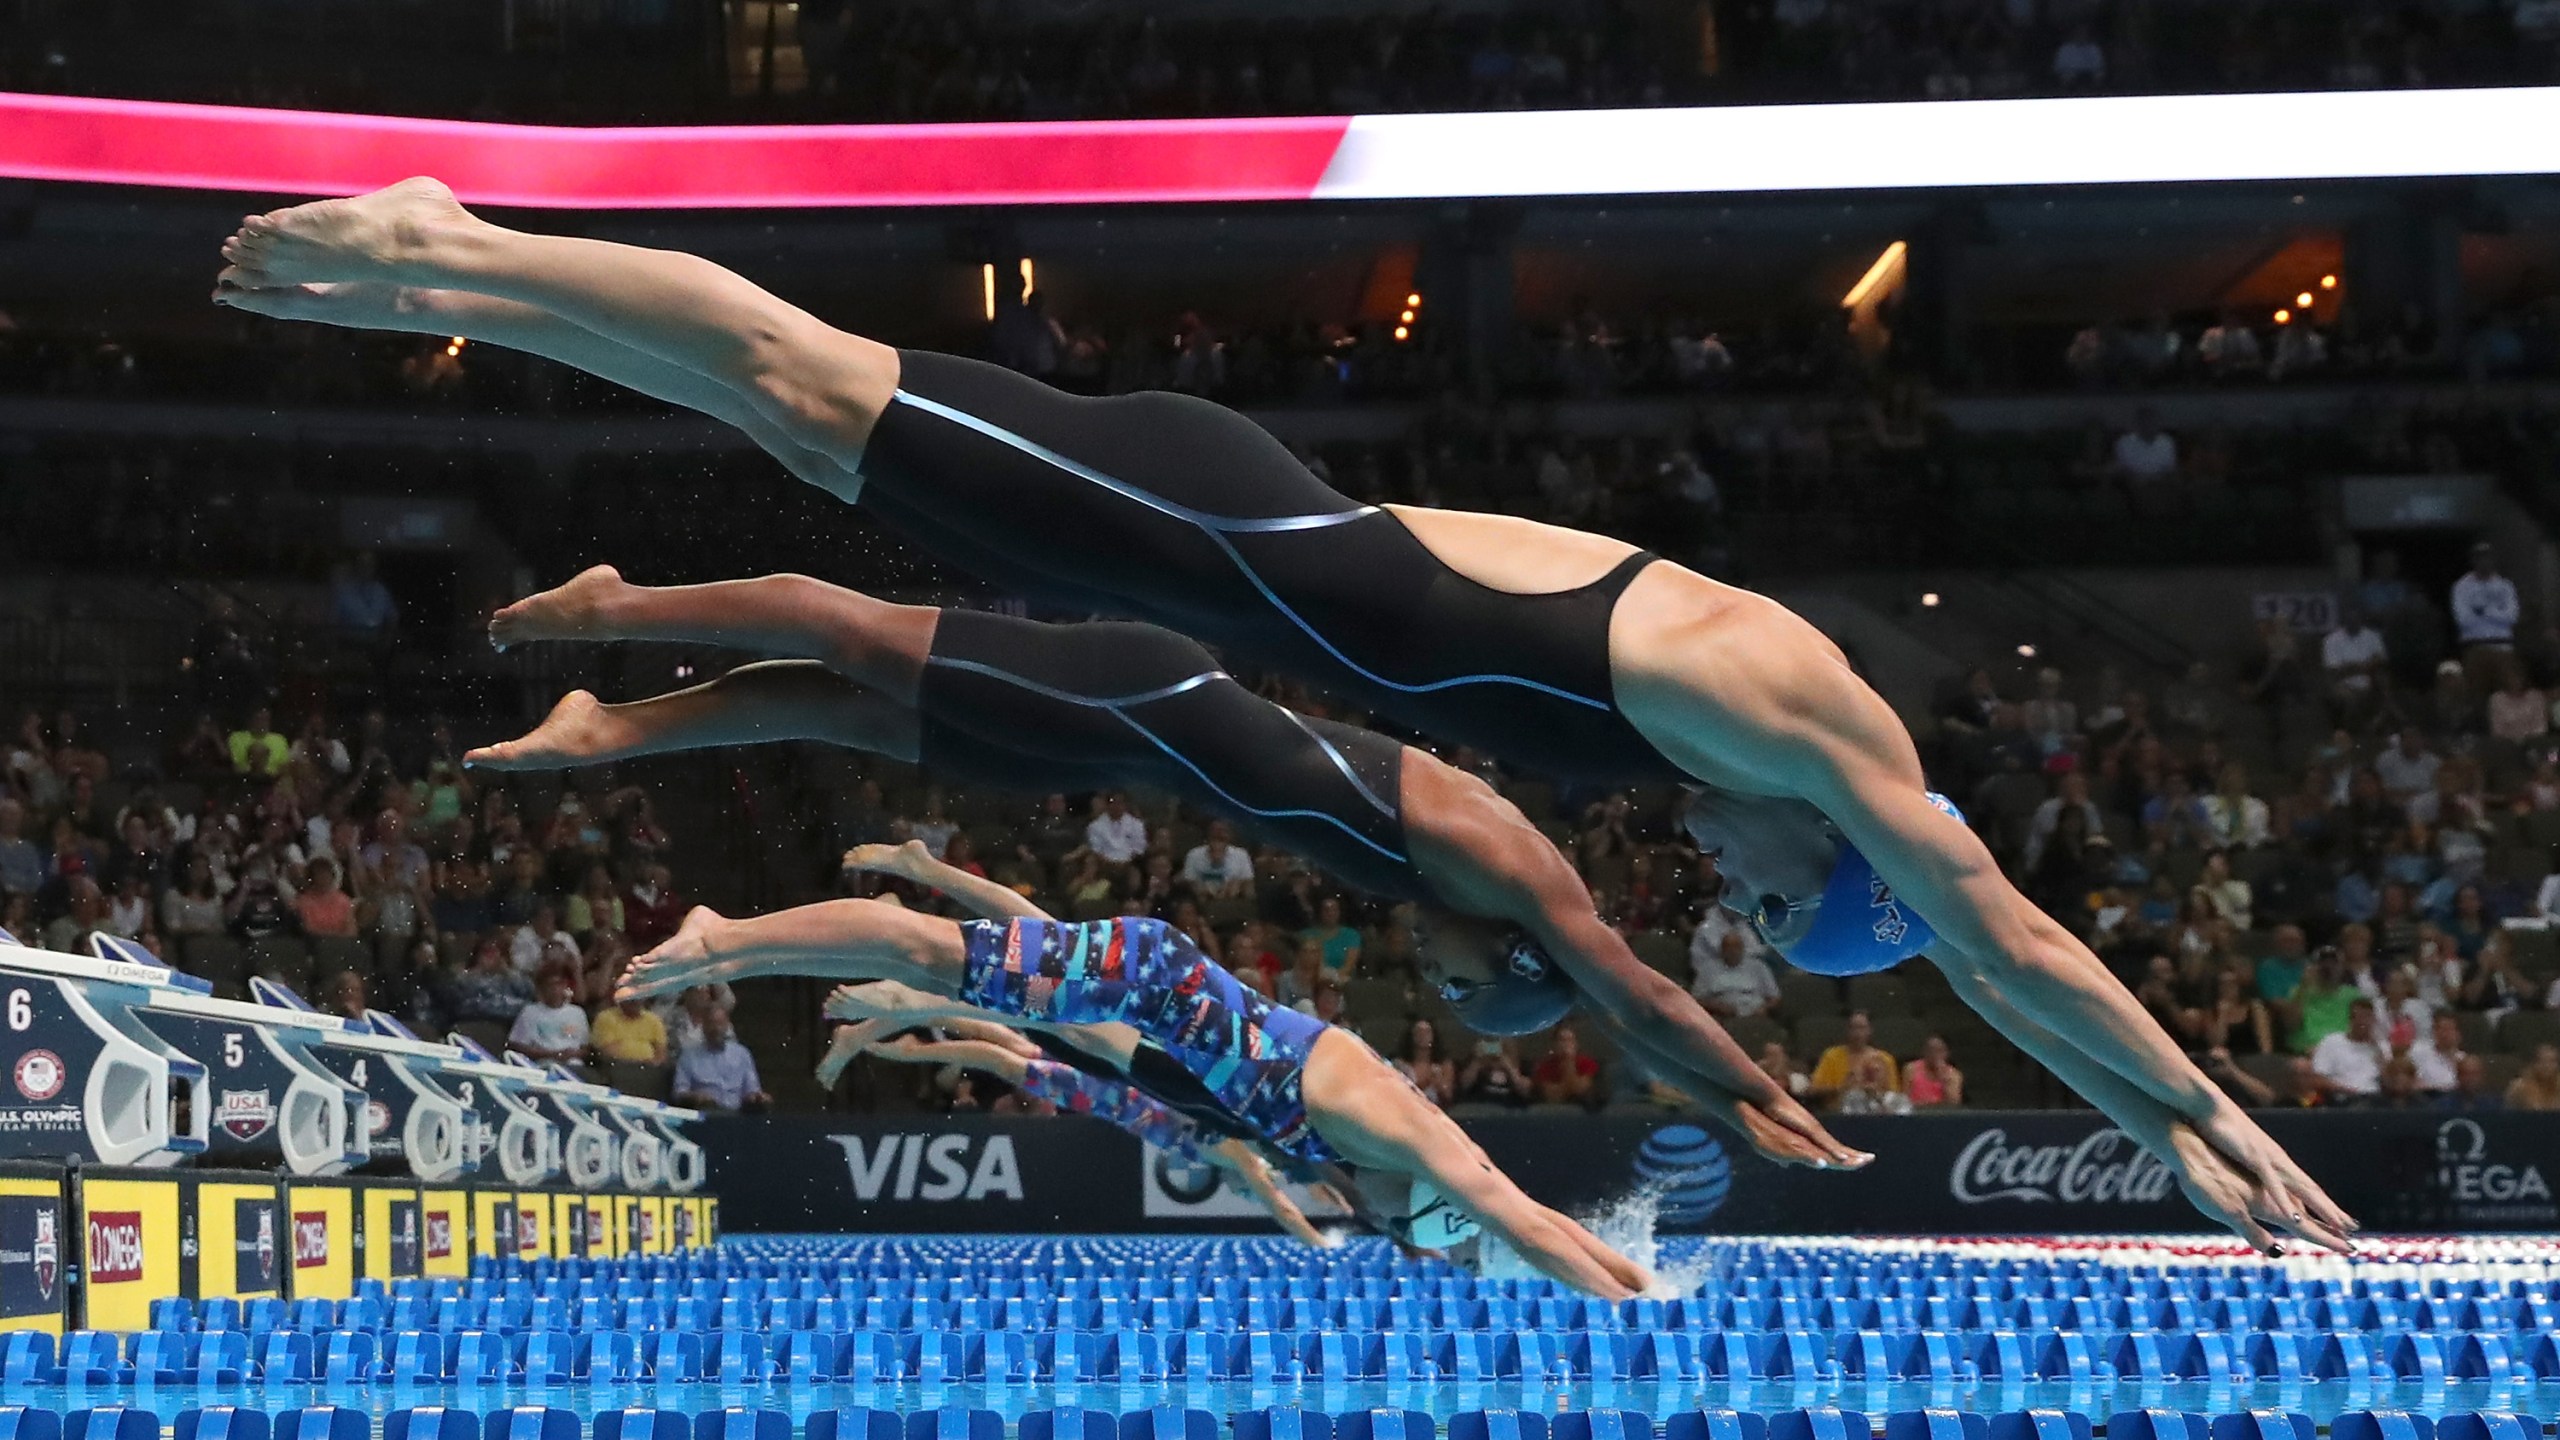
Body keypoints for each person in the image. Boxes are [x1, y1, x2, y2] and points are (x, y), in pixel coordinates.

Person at [219, 184, 2348, 1255]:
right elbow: (1999, 940)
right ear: (1849, 873)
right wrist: (2180, 1111)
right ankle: (458, 249)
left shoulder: (1769, 754)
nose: (1730, 881)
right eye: (1785, 902)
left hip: (1199, 569)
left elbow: (1975, 940)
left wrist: (2160, 1112)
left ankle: (470, 281)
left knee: (806, 438)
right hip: (1215, 529)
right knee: (810, 387)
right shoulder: (1799, 723)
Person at [465, 569, 1853, 1166]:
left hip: (1128, 735)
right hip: (1143, 703)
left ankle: (614, 723)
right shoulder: (1527, 881)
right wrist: (1753, 1094)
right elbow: (1635, 1001)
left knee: (845, 700)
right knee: (853, 641)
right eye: (1467, 984)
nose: (1431, 969)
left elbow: (1609, 1001)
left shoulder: (1485, 885)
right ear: (1516, 956)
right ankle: (620, 610)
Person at [621, 852, 1650, 1298]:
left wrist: (1630, 1265)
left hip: (1146, 1007)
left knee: (939, 973)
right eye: (1386, 1221)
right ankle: (727, 936)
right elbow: (1519, 1219)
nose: (1358, 1214)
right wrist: (1636, 1306)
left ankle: (744, 954)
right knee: (935, 956)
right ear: (1410, 1195)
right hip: (1149, 979)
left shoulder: (1351, 1158)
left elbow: (1495, 1241)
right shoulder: (1404, 1135)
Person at [822, 1005, 1339, 1249]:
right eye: (1251, 1191)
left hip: (1101, 1095)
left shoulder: (1235, 1148)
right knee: (1013, 1043)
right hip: (1108, 1084)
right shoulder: (1236, 1153)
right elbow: (1283, 1205)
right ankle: (908, 1021)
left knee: (1012, 1045)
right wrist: (1319, 1243)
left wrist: (1331, 1199)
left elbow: (1292, 1187)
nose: (1248, 1193)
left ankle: (907, 1031)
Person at [670, 1007, 771, 1112]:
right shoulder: (688, 1056)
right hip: (706, 1112)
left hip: (738, 1114)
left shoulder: (742, 1054)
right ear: (703, 1026)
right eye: (711, 1024)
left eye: (719, 1024)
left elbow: (752, 1089)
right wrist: (696, 1097)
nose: (716, 1028)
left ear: (727, 1025)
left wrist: (758, 1097)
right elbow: (679, 1093)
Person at [1809, 1011, 1898, 1107]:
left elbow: (1893, 1095)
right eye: (1853, 1028)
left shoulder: (1885, 1059)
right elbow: (1813, 1090)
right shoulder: (1831, 1056)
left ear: (1870, 1030)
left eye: (1862, 1028)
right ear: (1847, 1030)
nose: (1857, 1033)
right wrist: (1842, 1088)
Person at [508, 967, 592, 1066]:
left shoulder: (577, 1013)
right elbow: (516, 1045)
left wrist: (573, 1054)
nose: (555, 989)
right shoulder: (530, 1012)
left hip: (573, 1065)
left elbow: (585, 1047)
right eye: (550, 985)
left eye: (559, 984)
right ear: (542, 988)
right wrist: (552, 1054)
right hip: (542, 1064)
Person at [2309, 999, 2390, 1099]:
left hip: (2374, 1099)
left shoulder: (2382, 1047)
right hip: (2342, 1098)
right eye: (2359, 1017)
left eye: (2367, 1017)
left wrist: (2380, 1055)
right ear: (2351, 1019)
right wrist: (2345, 1089)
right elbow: (2318, 1078)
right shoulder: (2331, 1042)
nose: (2363, 1022)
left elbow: (2390, 1081)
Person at [1531, 1024, 1602, 1108]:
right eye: (1562, 1040)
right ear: (1554, 1045)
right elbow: (1553, 1097)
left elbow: (1580, 1090)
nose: (1566, 1044)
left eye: (1570, 1040)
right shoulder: (1544, 1066)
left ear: (1576, 1044)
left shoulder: (1588, 1063)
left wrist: (1569, 1061)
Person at [590, 993, 670, 1067]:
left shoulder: (654, 1020)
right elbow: (606, 1051)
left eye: (638, 997)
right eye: (630, 998)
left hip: (648, 1069)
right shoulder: (605, 1018)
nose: (635, 1001)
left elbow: (661, 1053)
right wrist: (638, 1061)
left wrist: (653, 1063)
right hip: (617, 1067)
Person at [1903, 1034, 1964, 1108]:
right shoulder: (1911, 1068)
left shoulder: (1954, 1075)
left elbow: (1954, 1103)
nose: (1934, 1054)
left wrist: (1944, 1080)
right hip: (1916, 1112)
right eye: (1930, 1050)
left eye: (1939, 1051)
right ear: (1924, 1051)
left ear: (1946, 1053)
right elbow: (1904, 1099)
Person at [2507, 1043, 2560, 1111]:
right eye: (2542, 1061)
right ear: (2533, 1063)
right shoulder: (2519, 1086)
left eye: (2552, 1061)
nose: (2547, 1066)